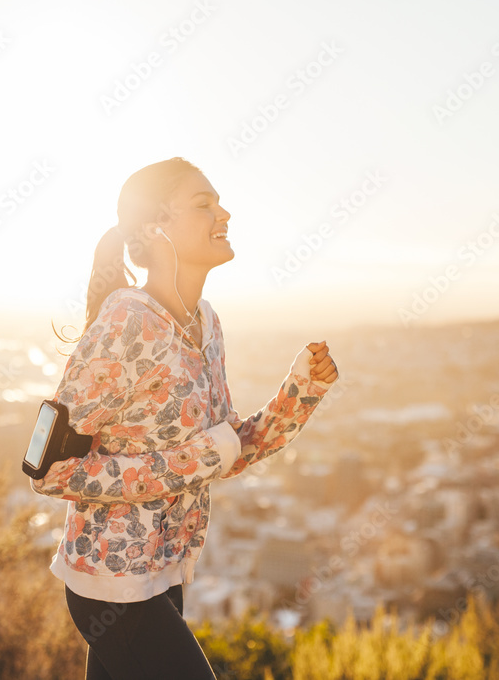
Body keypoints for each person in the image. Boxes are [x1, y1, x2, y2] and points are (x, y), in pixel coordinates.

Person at [30, 157, 339, 679]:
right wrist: (192, 460)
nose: (225, 212)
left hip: (166, 573)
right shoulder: (126, 321)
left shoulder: (206, 324)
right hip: (112, 581)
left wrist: (302, 390)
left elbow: (227, 452)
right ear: (157, 228)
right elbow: (49, 472)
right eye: (204, 204)